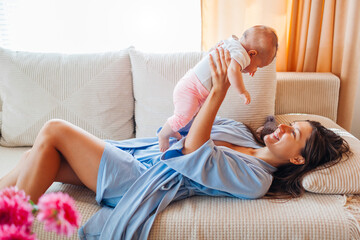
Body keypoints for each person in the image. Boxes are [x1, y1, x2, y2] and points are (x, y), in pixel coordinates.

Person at [0, 48, 350, 239]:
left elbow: (191, 153)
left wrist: (217, 93)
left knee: (55, 129)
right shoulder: (243, 133)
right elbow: (187, 130)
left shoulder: (256, 180)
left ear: (299, 160)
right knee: (39, 152)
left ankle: (12, 230)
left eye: (296, 135)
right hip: (139, 158)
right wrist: (205, 85)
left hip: (142, 181)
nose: (285, 129)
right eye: (290, 125)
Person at [158, 25, 279, 152]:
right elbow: (233, 70)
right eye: (258, 66)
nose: (254, 70)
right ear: (252, 54)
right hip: (191, 90)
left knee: (192, 118)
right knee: (182, 117)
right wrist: (242, 91)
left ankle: (172, 131)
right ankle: (163, 134)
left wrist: (246, 68)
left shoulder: (232, 44)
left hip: (193, 87)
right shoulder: (241, 54)